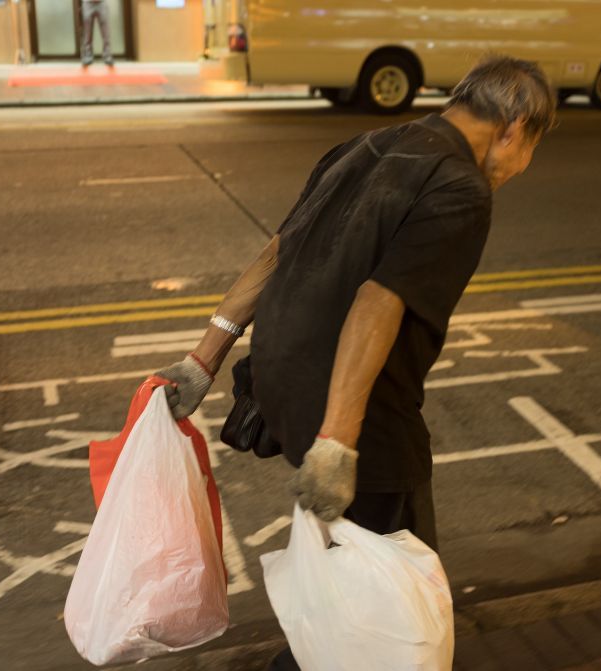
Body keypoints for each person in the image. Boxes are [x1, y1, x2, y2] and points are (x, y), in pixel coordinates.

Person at [156, 55, 556, 670]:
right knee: (397, 579)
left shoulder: (365, 145)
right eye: (532, 149)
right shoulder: (460, 188)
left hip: (280, 387)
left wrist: (202, 361)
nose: (523, 166)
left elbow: (277, 253)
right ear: (516, 127)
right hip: (355, 416)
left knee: (348, 564)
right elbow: (379, 300)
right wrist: (338, 443)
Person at [80, 0, 113, 67]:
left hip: (101, 3)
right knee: (87, 32)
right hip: (88, 3)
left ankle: (107, 56)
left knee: (105, 32)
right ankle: (88, 56)